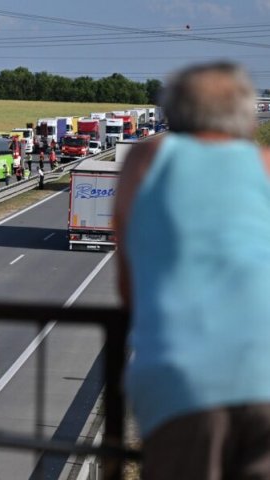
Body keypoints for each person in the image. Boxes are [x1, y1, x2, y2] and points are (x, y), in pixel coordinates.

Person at [114, 62, 270, 480]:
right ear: (247, 116)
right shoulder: (265, 165)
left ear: (173, 112)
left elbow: (130, 287)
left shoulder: (148, 159)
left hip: (184, 383)